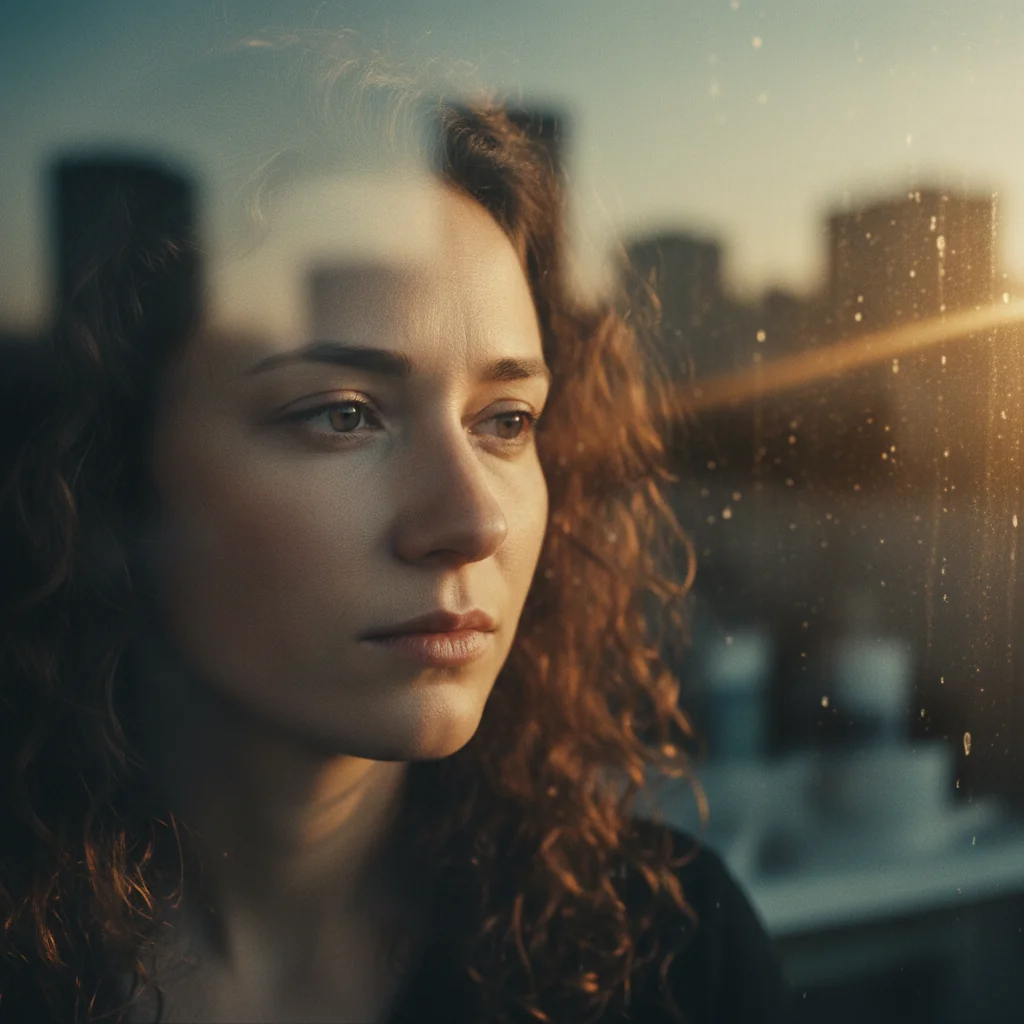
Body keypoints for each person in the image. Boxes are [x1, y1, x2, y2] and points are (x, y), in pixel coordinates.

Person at [0, 37, 790, 1024]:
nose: (471, 522)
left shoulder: (666, 949)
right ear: (111, 467)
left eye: (506, 421)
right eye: (340, 413)